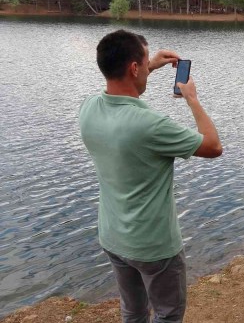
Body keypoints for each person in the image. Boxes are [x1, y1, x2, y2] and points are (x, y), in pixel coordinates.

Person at [79, 29, 223, 323]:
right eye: (144, 63)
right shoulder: (150, 124)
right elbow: (213, 146)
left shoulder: (88, 109)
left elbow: (115, 86)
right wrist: (192, 98)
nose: (148, 67)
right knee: (168, 314)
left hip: (113, 237)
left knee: (132, 311)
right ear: (134, 68)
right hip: (154, 247)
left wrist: (150, 65)